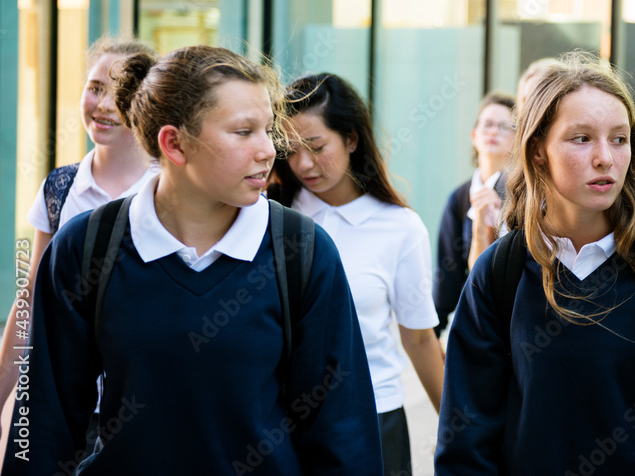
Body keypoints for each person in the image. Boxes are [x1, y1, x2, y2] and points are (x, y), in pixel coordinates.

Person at [2, 46, 381, 474]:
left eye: (268, 130)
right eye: (243, 132)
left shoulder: (302, 249)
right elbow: (42, 427)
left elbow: (344, 435)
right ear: (174, 143)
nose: (268, 150)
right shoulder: (86, 246)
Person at [435, 52, 635, 475]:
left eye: (619, 138)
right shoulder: (497, 274)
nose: (605, 158)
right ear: (537, 150)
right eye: (581, 138)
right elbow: (465, 446)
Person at [267, 73, 443, 476]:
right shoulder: (269, 216)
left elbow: (418, 339)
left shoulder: (399, 227)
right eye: (291, 151)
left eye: (316, 147)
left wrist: (457, 429)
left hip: (373, 417)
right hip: (279, 420)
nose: (303, 164)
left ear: (351, 139)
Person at [0, 37, 158, 421]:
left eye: (121, 92)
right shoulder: (60, 187)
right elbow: (32, 297)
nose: (103, 105)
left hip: (146, 408)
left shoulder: (170, 188)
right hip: (66, 404)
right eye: (95, 87)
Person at [434, 91, 516, 337]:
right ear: (474, 135)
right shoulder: (459, 199)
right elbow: (447, 275)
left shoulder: (524, 195)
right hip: (476, 324)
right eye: (487, 124)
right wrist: (435, 334)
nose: (493, 132)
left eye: (504, 127)